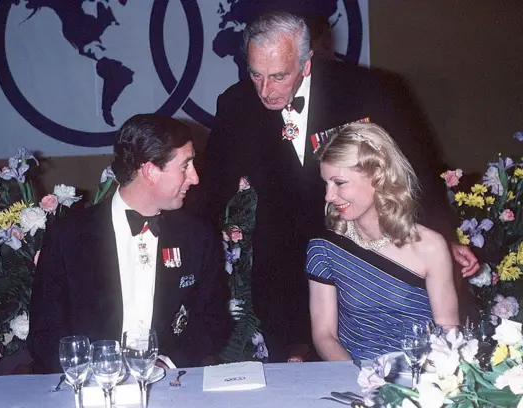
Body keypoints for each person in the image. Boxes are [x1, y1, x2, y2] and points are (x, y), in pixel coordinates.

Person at [187, 11, 477, 363]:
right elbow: (213, 190)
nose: (265, 90)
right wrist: (176, 237)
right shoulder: (236, 105)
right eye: (255, 74)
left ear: (306, 63)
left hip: (361, 258)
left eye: (278, 76)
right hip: (284, 270)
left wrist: (443, 236)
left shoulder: (365, 89)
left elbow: (415, 167)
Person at [28, 114, 231, 373]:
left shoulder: (197, 235)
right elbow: (43, 334)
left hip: (168, 384)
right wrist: (95, 372)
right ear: (150, 171)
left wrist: (167, 363)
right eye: (185, 166)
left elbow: (213, 320)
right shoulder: (68, 236)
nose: (194, 177)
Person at [306, 122, 459, 360]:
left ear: (377, 175)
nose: (329, 196)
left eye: (339, 183)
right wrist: (359, 382)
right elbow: (325, 336)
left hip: (420, 378)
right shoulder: (324, 248)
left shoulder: (430, 246)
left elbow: (448, 332)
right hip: (351, 380)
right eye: (326, 183)